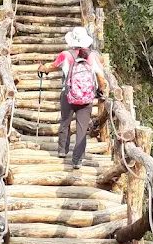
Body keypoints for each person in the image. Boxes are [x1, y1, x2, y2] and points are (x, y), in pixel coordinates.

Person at [37, 26, 108, 169]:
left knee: (65, 121)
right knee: (82, 128)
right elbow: (101, 78)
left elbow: (51, 66)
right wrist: (100, 90)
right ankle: (77, 160)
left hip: (67, 94)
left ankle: (62, 150)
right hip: (86, 98)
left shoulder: (65, 55)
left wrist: (42, 68)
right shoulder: (92, 56)